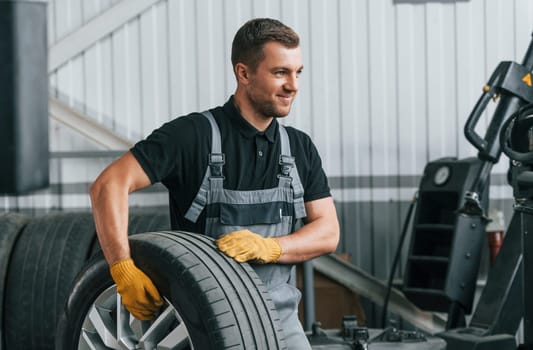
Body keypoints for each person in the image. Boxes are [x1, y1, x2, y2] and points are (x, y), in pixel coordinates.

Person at [89, 17, 340, 349]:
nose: (293, 85)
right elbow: (109, 185)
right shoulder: (193, 136)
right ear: (244, 73)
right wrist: (122, 267)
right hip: (204, 323)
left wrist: (272, 247)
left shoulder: (299, 147)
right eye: (280, 72)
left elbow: (328, 232)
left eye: (298, 72)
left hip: (279, 322)